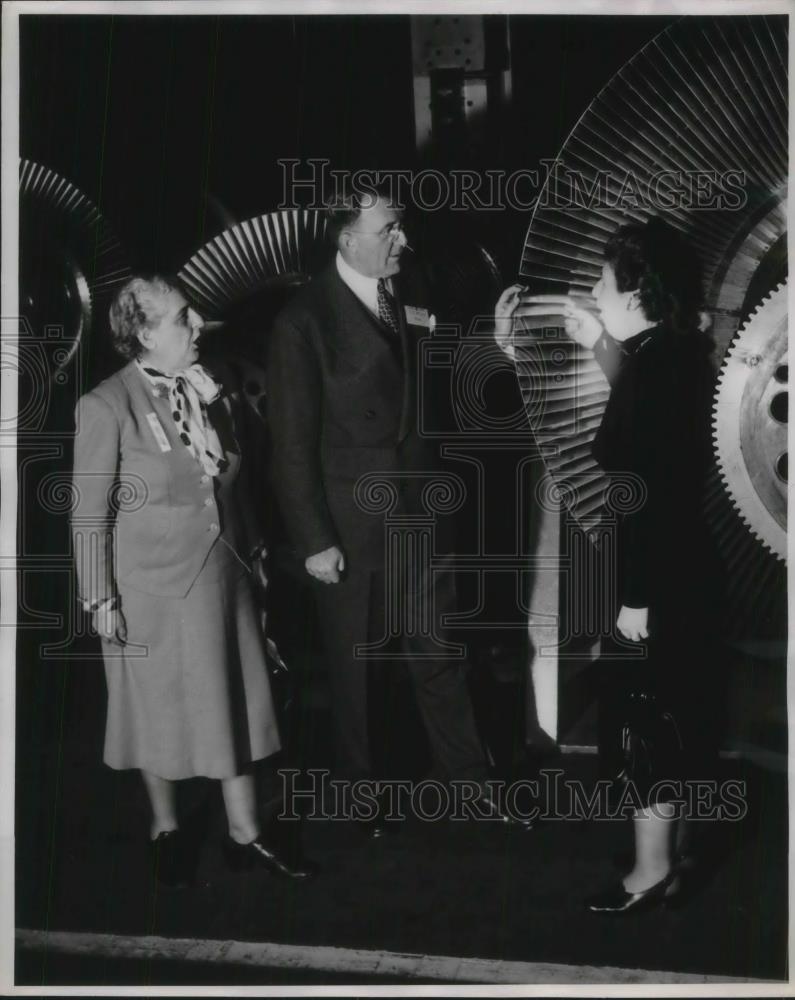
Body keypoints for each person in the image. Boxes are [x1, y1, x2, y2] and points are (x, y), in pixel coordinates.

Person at [267, 187, 528, 834]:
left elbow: (437, 371)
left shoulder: (409, 295)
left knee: (439, 651)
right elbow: (290, 447)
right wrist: (313, 540)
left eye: (401, 229)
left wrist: (492, 342)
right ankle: (362, 799)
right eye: (387, 230)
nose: (402, 242)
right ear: (344, 238)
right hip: (349, 529)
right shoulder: (301, 323)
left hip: (420, 516)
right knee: (358, 669)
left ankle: (467, 786)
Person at [496, 218, 720, 912]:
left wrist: (634, 600)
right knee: (680, 712)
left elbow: (647, 489)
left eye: (601, 278)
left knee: (643, 718)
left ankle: (646, 875)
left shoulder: (655, 369)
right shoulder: (674, 353)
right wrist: (596, 343)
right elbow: (643, 416)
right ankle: (675, 858)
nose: (592, 288)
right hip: (686, 571)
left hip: (653, 573)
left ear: (631, 290)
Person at [72, 275, 316, 886]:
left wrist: (256, 557)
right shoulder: (106, 405)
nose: (198, 324)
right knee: (157, 711)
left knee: (233, 701)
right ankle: (165, 827)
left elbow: (235, 486)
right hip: (150, 588)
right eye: (183, 317)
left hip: (224, 577)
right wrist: (99, 595)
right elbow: (87, 514)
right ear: (145, 334)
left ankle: (244, 833)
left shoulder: (212, 389)